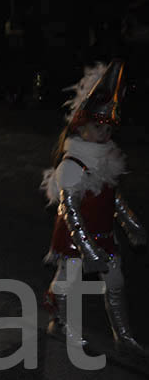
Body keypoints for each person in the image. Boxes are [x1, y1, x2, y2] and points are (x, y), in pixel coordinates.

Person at [41, 60, 146, 354]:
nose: (105, 133)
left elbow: (113, 197)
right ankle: (62, 322)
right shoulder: (72, 165)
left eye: (109, 127)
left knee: (116, 283)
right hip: (77, 240)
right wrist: (88, 249)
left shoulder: (107, 155)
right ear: (81, 127)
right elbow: (72, 215)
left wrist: (130, 224)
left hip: (103, 233)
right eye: (98, 127)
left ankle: (123, 335)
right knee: (69, 283)